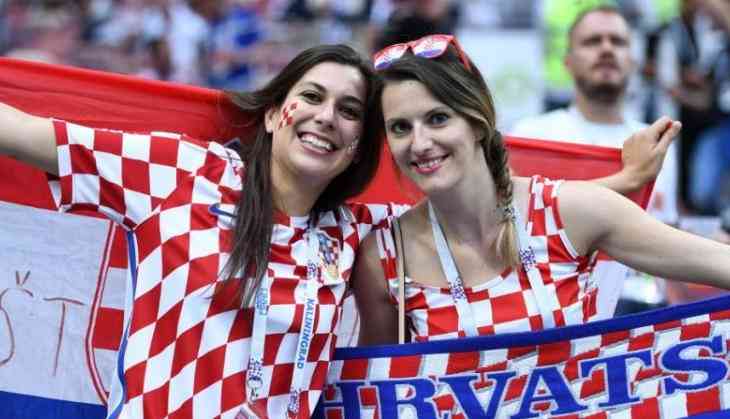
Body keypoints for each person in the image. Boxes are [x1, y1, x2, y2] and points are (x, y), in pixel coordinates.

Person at [0, 44, 397, 418]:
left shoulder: (355, 231)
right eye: (312, 97)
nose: (327, 116)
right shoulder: (184, 173)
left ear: (359, 147)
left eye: (349, 111)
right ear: (273, 115)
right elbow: (21, 134)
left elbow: (448, 193)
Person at [352, 34, 730, 346]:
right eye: (400, 127)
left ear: (478, 122)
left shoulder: (568, 210)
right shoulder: (385, 256)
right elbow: (380, 389)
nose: (419, 143)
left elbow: (718, 264)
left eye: (437, 119)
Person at [510, 6, 680, 317]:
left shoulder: (658, 139)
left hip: (641, 310)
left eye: (617, 42)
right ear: (568, 62)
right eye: (592, 42)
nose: (606, 48)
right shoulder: (531, 134)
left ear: (632, 60)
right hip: (556, 306)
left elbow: (664, 231)